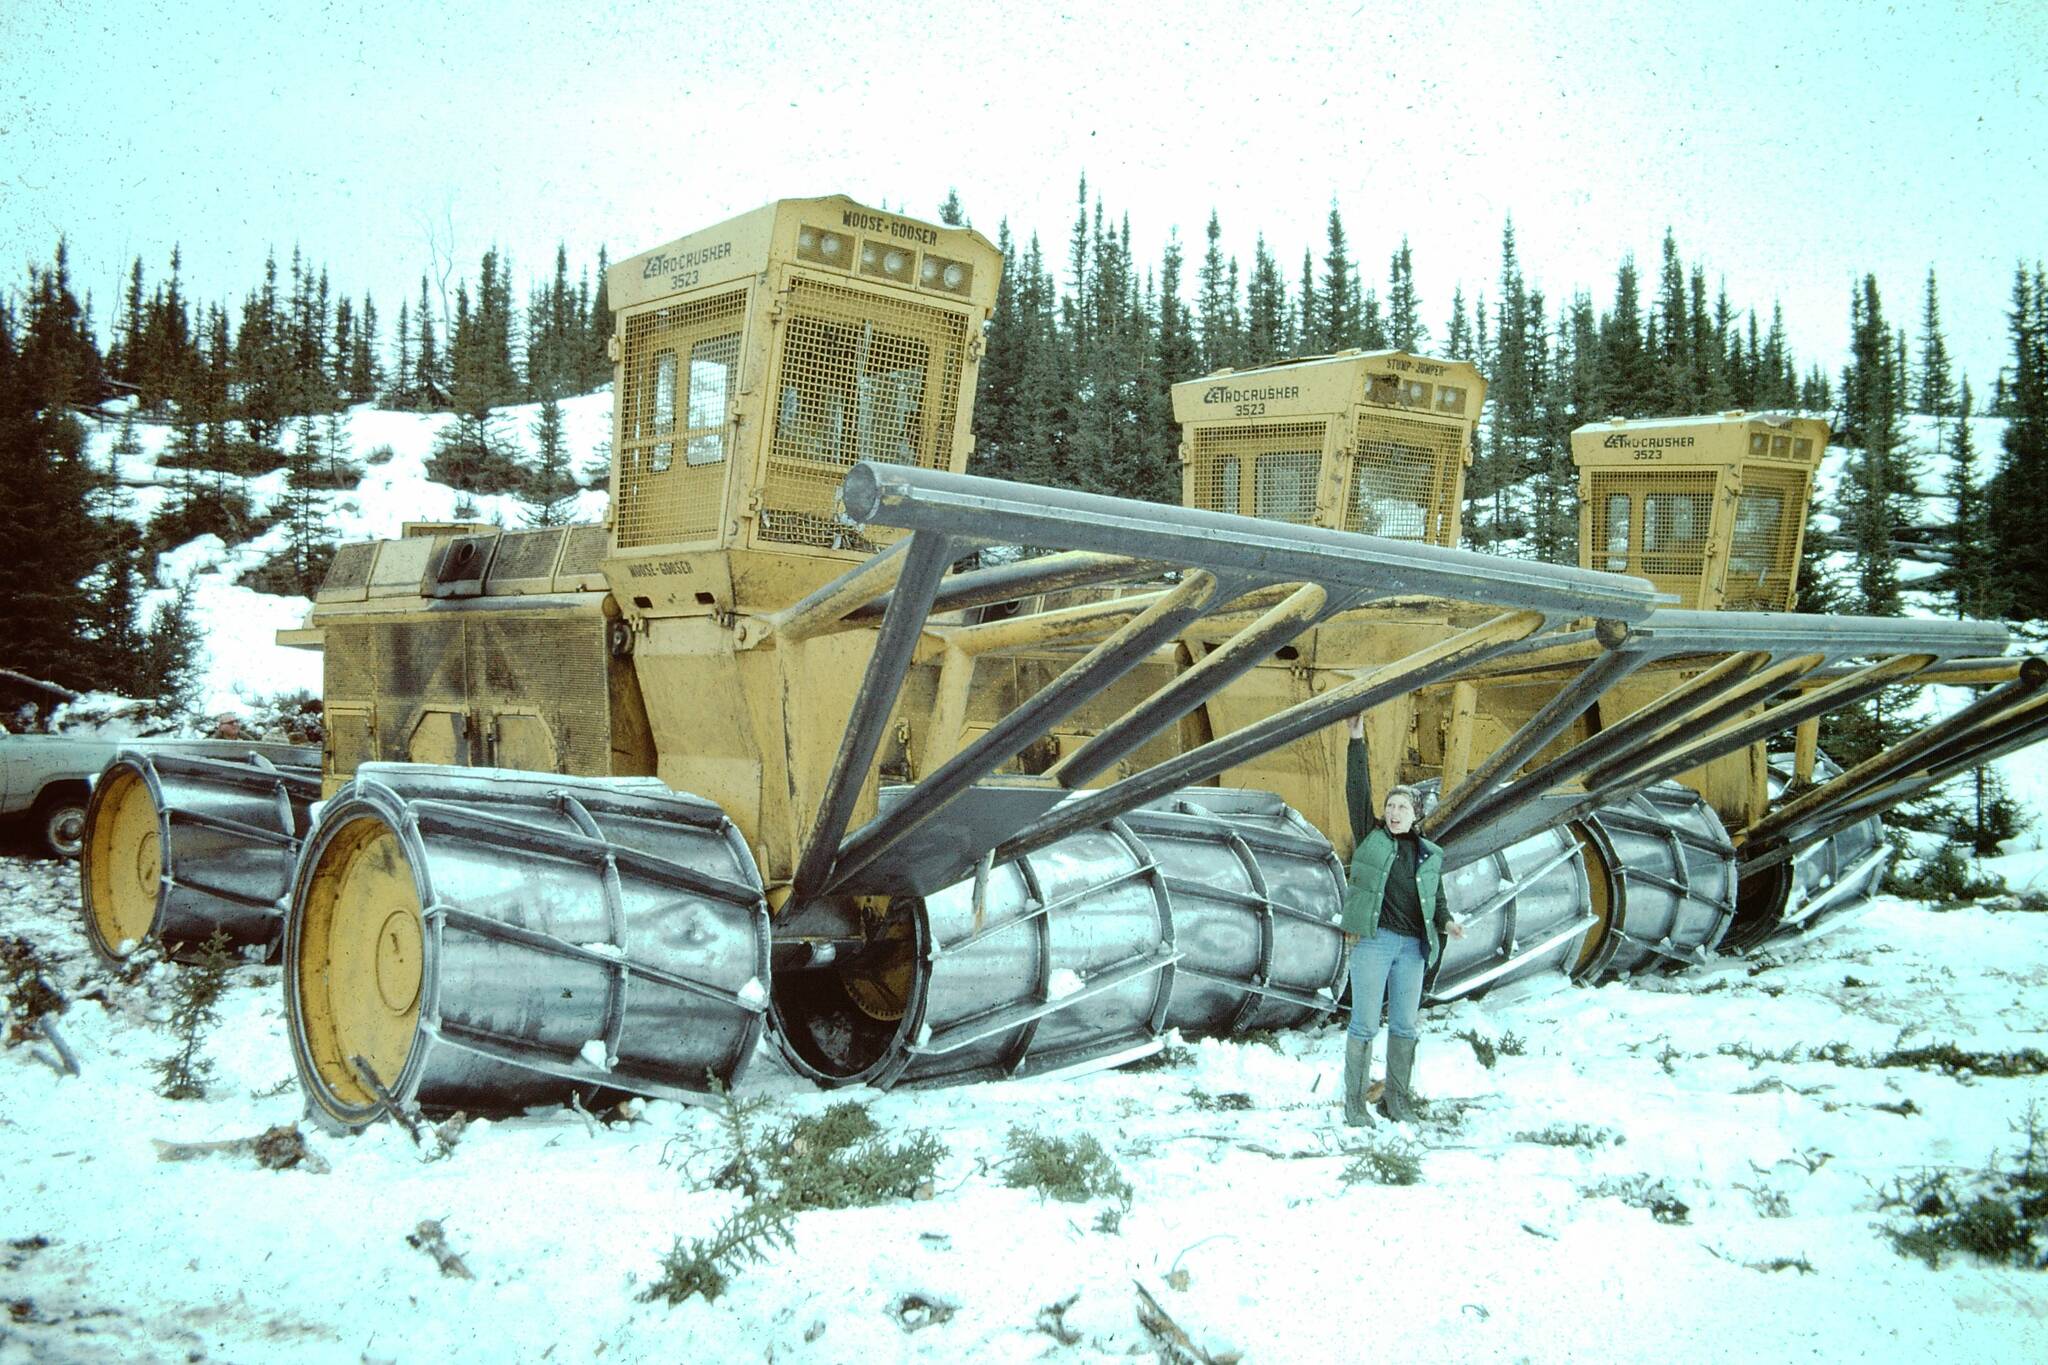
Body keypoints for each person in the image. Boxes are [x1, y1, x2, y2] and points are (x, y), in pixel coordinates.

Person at [1338, 712, 1462, 1125]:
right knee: (1365, 1025)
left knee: (1406, 1026)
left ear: (1416, 814)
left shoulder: (1430, 854)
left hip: (1413, 949)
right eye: (1390, 806)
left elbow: (1436, 901)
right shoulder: (1370, 836)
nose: (1393, 812)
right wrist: (1357, 738)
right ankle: (1355, 1106)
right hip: (1374, 942)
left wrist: (1447, 924)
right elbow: (1358, 791)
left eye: (1402, 807)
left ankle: (1397, 1101)